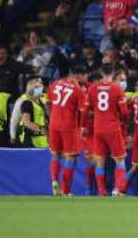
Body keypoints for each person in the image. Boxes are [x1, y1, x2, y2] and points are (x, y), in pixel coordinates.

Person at [81, 64, 129, 196]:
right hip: (113, 128)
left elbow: (85, 110)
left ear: (101, 72)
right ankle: (118, 190)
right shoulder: (117, 89)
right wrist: (124, 124)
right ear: (113, 73)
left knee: (100, 161)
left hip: (98, 129)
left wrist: (83, 126)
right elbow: (124, 113)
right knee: (120, 160)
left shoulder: (93, 89)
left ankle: (101, 191)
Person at [46, 67, 86, 196]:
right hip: (69, 126)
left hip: (54, 124)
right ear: (78, 75)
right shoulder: (78, 90)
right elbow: (83, 111)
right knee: (71, 157)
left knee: (55, 155)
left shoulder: (54, 85)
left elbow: (48, 103)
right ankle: (66, 190)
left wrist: (52, 117)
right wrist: (83, 127)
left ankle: (53, 181)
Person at [17, 75, 48, 148]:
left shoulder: (42, 102)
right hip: (30, 139)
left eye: (41, 85)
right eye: (38, 87)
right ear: (31, 88)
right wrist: (43, 129)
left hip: (40, 138)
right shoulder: (27, 103)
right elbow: (27, 122)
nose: (41, 88)